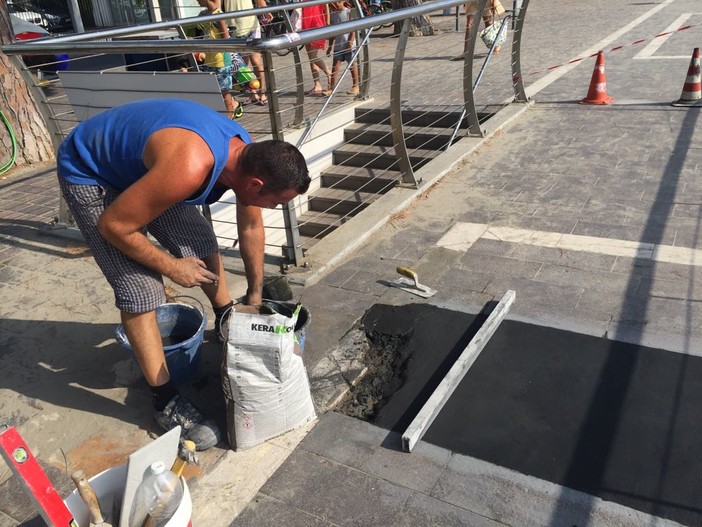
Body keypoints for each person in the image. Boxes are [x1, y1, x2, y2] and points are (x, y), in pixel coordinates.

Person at [55, 98, 310, 451]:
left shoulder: (248, 153)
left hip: (144, 171)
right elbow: (114, 226)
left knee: (200, 239)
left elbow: (250, 229)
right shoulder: (191, 166)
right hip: (89, 169)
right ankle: (164, 401)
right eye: (276, 202)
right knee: (141, 288)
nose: (274, 208)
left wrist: (253, 298)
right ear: (254, 184)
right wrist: (173, 268)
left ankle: (225, 318)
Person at [193, 0, 243, 119]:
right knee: (213, 89)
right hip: (209, 59)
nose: (197, 2)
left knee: (225, 91)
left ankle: (229, 116)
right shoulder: (204, 14)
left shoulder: (218, 15)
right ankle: (221, 114)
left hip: (221, 60)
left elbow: (225, 36)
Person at [223, 0, 272, 106]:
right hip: (233, 28)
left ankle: (262, 92)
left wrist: (266, 10)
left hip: (251, 26)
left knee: (256, 61)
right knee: (242, 65)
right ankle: (253, 93)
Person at [326, 1, 359, 96]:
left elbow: (354, 28)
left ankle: (356, 86)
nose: (336, 4)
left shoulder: (349, 12)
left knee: (352, 66)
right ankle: (332, 88)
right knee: (335, 68)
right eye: (334, 2)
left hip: (349, 46)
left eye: (338, 1)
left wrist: (350, 42)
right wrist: (329, 47)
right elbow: (332, 34)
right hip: (338, 46)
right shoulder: (332, 15)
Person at [301, 0, 332, 96]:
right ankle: (317, 85)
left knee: (313, 56)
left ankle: (329, 74)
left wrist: (327, 22)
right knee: (311, 58)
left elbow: (325, 4)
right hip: (305, 23)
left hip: (316, 23)